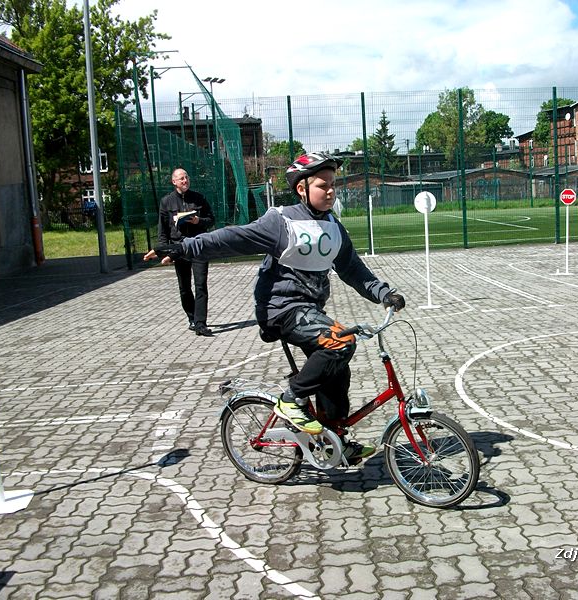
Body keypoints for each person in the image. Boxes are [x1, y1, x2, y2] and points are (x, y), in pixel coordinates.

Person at [145, 152, 405, 462]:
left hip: (310, 311)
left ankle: (334, 438)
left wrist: (383, 293)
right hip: (281, 308)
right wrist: (183, 247)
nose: (332, 191)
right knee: (341, 342)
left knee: (337, 373)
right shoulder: (282, 221)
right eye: (324, 185)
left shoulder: (333, 226)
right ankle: (291, 400)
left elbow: (353, 269)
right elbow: (233, 237)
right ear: (302, 189)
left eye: (334, 184)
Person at [157, 168, 216, 336]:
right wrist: (165, 252)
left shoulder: (199, 198)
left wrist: (199, 220)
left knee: (201, 285)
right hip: (179, 248)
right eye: (181, 179)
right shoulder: (166, 202)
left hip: (198, 246)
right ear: (174, 182)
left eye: (186, 177)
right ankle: (191, 317)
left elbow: (211, 220)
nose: (185, 181)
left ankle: (200, 323)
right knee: (184, 287)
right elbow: (162, 230)